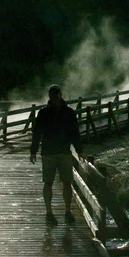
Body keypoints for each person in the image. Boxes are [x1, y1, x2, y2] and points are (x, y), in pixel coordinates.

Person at [30, 84, 83, 226]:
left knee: (67, 182)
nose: (54, 96)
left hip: (64, 151)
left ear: (61, 94)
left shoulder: (69, 113)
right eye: (51, 94)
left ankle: (67, 211)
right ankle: (49, 212)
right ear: (49, 96)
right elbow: (37, 133)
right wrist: (33, 150)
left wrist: (79, 150)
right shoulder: (44, 113)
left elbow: (75, 133)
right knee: (48, 182)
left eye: (56, 93)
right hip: (49, 152)